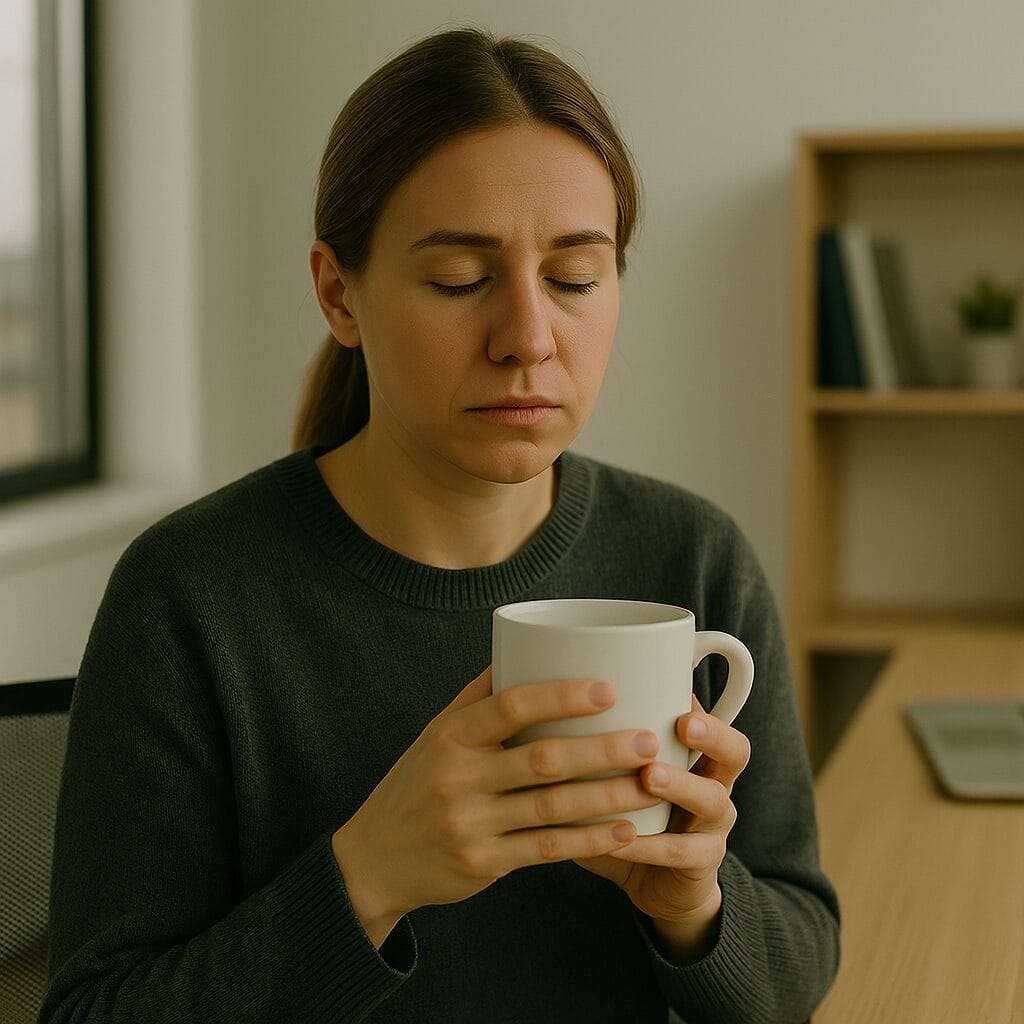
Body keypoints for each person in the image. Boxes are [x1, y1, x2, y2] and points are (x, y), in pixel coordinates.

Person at [40, 25, 840, 1024]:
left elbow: (796, 966)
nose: (527, 339)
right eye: (461, 279)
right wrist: (369, 875)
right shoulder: (193, 592)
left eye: (574, 277)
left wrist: (696, 906)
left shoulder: (690, 555)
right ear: (339, 293)